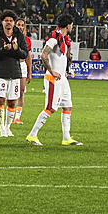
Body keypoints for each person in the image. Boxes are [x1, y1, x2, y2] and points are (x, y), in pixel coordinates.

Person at [26, 14, 82, 146]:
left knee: (67, 106)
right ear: (68, 25)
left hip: (62, 79)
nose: (72, 27)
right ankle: (32, 135)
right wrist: (52, 71)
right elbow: (43, 55)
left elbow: (60, 59)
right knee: (50, 108)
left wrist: (65, 71)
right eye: (72, 25)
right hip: (53, 79)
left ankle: (66, 138)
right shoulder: (53, 39)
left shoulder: (63, 39)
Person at [0, 10, 28, 137]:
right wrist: (3, 49)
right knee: (0, 100)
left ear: (14, 23)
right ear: (2, 22)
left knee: (12, 102)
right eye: (6, 21)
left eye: (11, 21)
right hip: (1, 72)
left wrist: (17, 49)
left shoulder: (19, 35)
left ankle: (8, 127)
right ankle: (1, 128)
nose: (9, 23)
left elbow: (25, 53)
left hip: (15, 73)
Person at [14, 18, 33, 124]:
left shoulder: (27, 40)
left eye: (22, 25)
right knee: (11, 91)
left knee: (21, 92)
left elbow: (28, 57)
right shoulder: (10, 37)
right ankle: (9, 114)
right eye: (18, 25)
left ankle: (17, 117)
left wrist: (30, 72)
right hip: (12, 65)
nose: (20, 27)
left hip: (22, 66)